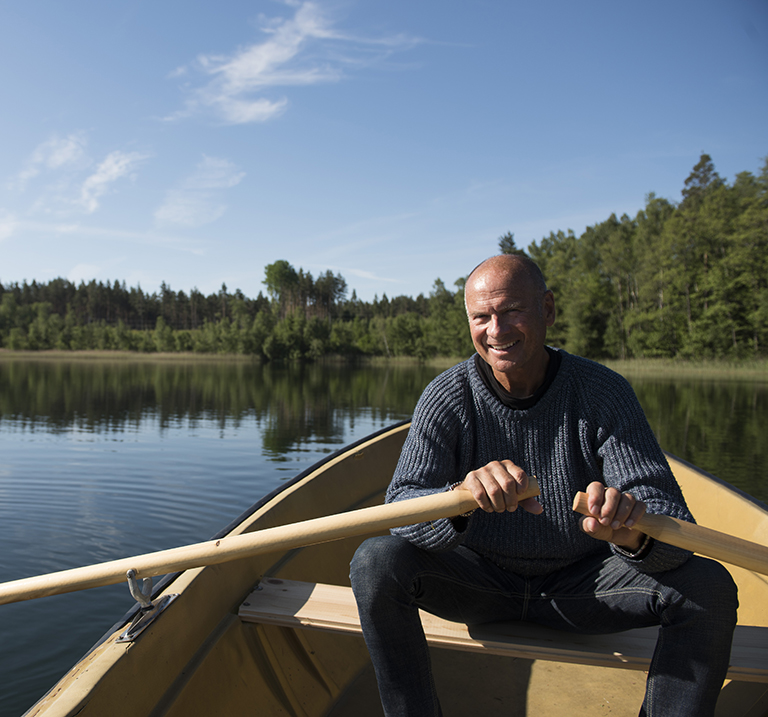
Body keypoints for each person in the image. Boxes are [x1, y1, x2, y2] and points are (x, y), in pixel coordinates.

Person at [349, 254, 738, 717]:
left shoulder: (602, 392)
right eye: (481, 316)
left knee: (708, 584)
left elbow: (671, 520)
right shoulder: (446, 395)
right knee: (374, 562)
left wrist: (632, 532)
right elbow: (402, 508)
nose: (496, 329)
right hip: (480, 582)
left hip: (586, 587)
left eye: (512, 310)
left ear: (547, 310)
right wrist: (459, 499)